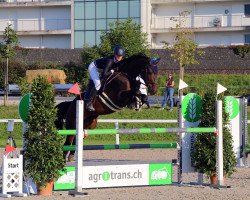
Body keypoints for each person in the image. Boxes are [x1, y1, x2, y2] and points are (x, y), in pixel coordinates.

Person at [84, 45, 125, 111]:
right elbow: (104, 74)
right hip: (93, 67)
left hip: (101, 69)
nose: (119, 57)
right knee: (98, 84)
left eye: (120, 56)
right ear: (115, 54)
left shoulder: (119, 61)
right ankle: (88, 103)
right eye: (118, 55)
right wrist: (112, 71)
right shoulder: (110, 61)